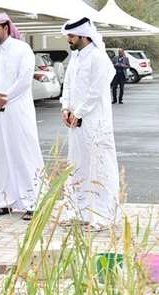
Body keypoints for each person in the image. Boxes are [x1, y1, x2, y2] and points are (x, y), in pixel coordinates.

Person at [0, 13, 44, 220]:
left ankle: (33, 203)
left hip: (17, 112)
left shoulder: (22, 49)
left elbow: (24, 79)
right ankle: (3, 202)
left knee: (23, 154)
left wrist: (4, 98)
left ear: (6, 28)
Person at [60, 17, 120, 230]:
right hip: (76, 123)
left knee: (99, 167)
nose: (69, 39)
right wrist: (65, 107)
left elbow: (96, 90)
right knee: (77, 166)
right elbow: (67, 84)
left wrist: (79, 111)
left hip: (95, 124)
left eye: (72, 36)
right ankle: (77, 211)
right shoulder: (75, 57)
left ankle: (102, 216)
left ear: (84, 36)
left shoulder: (98, 57)